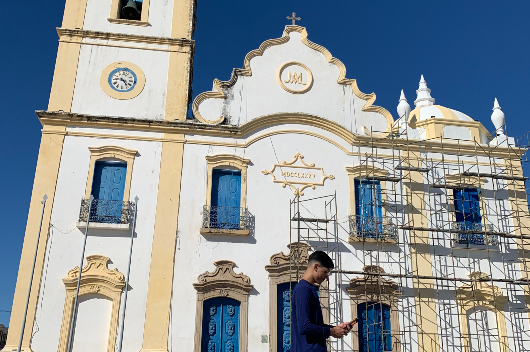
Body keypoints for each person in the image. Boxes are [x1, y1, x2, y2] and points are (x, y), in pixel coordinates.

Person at [291, 251, 351, 352]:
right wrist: (332, 331)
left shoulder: (309, 289)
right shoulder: (303, 290)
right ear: (316, 267)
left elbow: (313, 324)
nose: (327, 277)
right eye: (325, 272)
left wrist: (336, 329)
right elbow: (304, 327)